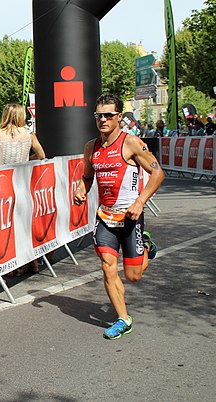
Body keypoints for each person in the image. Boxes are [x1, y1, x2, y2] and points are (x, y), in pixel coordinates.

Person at [73, 94, 164, 340]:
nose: (102, 119)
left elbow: (157, 174)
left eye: (108, 115)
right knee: (107, 267)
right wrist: (81, 189)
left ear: (119, 117)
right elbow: (87, 176)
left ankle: (145, 244)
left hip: (131, 218)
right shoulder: (91, 147)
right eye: (98, 115)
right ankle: (123, 318)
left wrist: (140, 201)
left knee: (133, 276)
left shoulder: (131, 144)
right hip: (105, 218)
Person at [0, 103, 45, 275]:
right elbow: (42, 155)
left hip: (0, 185)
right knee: (24, 224)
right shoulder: (29, 135)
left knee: (4, 227)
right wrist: (27, 158)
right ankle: (33, 263)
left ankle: (9, 267)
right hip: (22, 183)